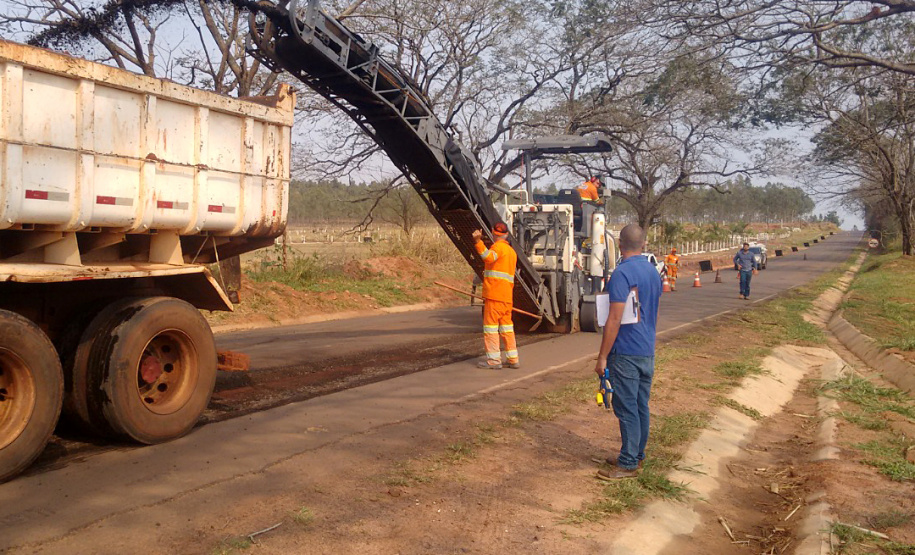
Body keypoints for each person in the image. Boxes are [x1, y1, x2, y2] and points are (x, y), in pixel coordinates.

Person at [592, 224, 662, 480]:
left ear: (619, 244)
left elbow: (614, 318)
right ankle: (635, 454)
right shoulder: (653, 271)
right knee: (641, 405)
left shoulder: (621, 274)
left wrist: (602, 357)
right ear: (643, 244)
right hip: (646, 350)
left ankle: (629, 462)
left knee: (627, 408)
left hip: (626, 352)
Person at [472, 222, 519, 369]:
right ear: (506, 235)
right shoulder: (512, 252)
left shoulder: (498, 248)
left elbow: (488, 258)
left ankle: (493, 361)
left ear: (493, 233)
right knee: (507, 328)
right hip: (506, 297)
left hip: (495, 296)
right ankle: (513, 359)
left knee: (491, 328)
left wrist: (478, 242)